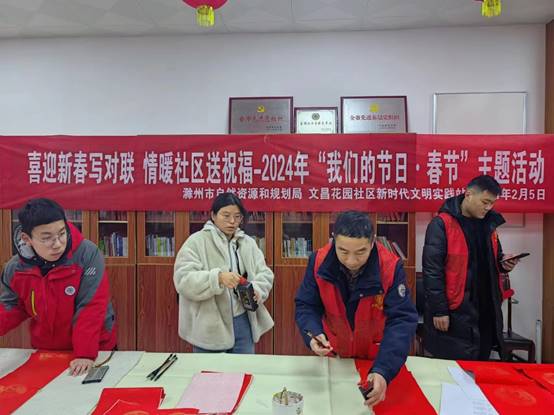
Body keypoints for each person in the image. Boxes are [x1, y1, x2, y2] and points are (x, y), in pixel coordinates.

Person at [295, 211, 417, 409]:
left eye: (360, 252)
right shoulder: (318, 261)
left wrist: (384, 370)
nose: (351, 261)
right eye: (343, 251)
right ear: (333, 240)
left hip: (375, 359)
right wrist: (312, 333)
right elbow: (306, 305)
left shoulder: (390, 267)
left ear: (373, 242)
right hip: (335, 356)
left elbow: (402, 320)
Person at [0, 198, 116, 376]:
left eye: (62, 233)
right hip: (46, 350)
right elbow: (11, 307)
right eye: (47, 238)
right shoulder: (16, 269)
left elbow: (90, 307)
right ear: (27, 239)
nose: (58, 244)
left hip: (94, 349)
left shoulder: (87, 255)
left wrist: (85, 354)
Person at [422, 175, 520, 361]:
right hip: (456, 310)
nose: (488, 207)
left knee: (482, 367)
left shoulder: (490, 224)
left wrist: (504, 264)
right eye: (485, 202)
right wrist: (439, 310)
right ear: (468, 194)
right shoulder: (442, 224)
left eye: (492, 203)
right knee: (455, 369)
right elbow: (432, 271)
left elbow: (494, 259)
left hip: (486, 309)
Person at [173, 192, 274, 353]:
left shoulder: (247, 243)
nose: (232, 221)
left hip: (243, 321)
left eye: (237, 216)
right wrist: (217, 278)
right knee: (210, 369)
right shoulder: (197, 241)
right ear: (213, 215)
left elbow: (265, 274)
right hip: (209, 324)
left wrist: (257, 289)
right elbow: (183, 279)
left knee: (244, 367)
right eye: (226, 215)